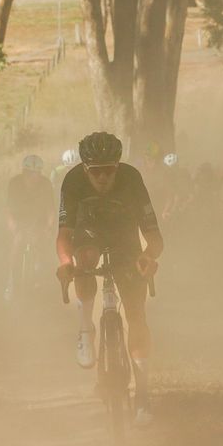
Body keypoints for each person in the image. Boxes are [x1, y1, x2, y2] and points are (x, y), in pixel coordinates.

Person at [56, 132, 164, 424]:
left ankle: (142, 393)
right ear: (85, 169)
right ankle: (85, 328)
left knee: (137, 315)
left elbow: (153, 235)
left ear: (118, 166)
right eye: (96, 171)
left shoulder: (132, 179)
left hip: (124, 237)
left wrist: (148, 256)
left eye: (109, 170)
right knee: (85, 259)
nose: (102, 178)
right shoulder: (73, 181)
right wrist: (66, 263)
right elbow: (64, 234)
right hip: (88, 232)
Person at [5, 154, 55, 301]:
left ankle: (43, 278)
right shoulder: (14, 183)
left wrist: (48, 227)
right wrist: (13, 227)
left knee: (43, 244)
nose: (33, 177)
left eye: (36, 174)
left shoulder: (46, 184)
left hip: (38, 221)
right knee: (17, 243)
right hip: (19, 219)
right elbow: (8, 209)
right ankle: (11, 282)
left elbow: (50, 209)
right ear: (23, 172)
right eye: (29, 173)